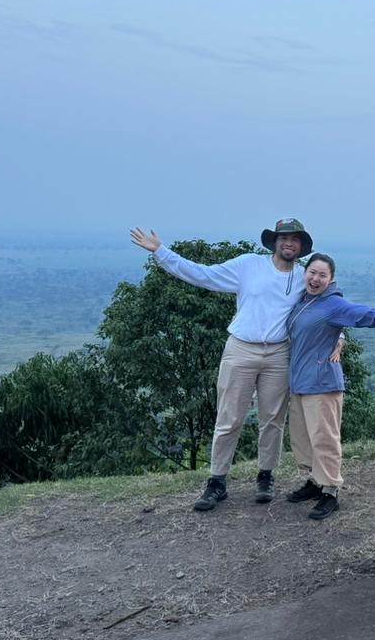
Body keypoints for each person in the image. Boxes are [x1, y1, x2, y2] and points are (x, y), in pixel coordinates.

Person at [130, 219, 341, 511]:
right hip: (241, 349)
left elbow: (324, 308)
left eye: (295, 239)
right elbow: (203, 275)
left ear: (301, 246)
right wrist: (161, 252)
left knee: (273, 420)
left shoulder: (304, 279)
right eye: (284, 238)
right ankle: (217, 481)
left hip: (279, 353)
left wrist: (339, 336)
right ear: (275, 242)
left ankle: (266, 476)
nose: (289, 243)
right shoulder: (248, 265)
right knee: (229, 418)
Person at [283, 253, 375, 519]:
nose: (316, 279)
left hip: (322, 383)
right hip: (300, 382)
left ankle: (331, 491)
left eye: (322, 275)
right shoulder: (303, 300)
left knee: (324, 438)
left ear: (331, 280)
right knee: (304, 436)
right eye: (312, 272)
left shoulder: (332, 304)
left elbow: (356, 313)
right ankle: (315, 482)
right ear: (305, 273)